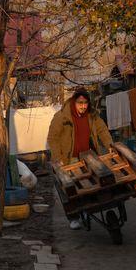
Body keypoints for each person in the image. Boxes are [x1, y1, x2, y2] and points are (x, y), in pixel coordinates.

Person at [47, 89, 113, 229]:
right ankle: (73, 217)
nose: (83, 106)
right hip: (69, 158)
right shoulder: (62, 117)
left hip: (88, 155)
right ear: (73, 102)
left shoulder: (92, 115)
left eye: (85, 103)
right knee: (69, 189)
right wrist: (57, 158)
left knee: (92, 184)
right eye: (80, 103)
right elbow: (53, 138)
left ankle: (89, 208)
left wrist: (110, 145)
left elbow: (102, 130)